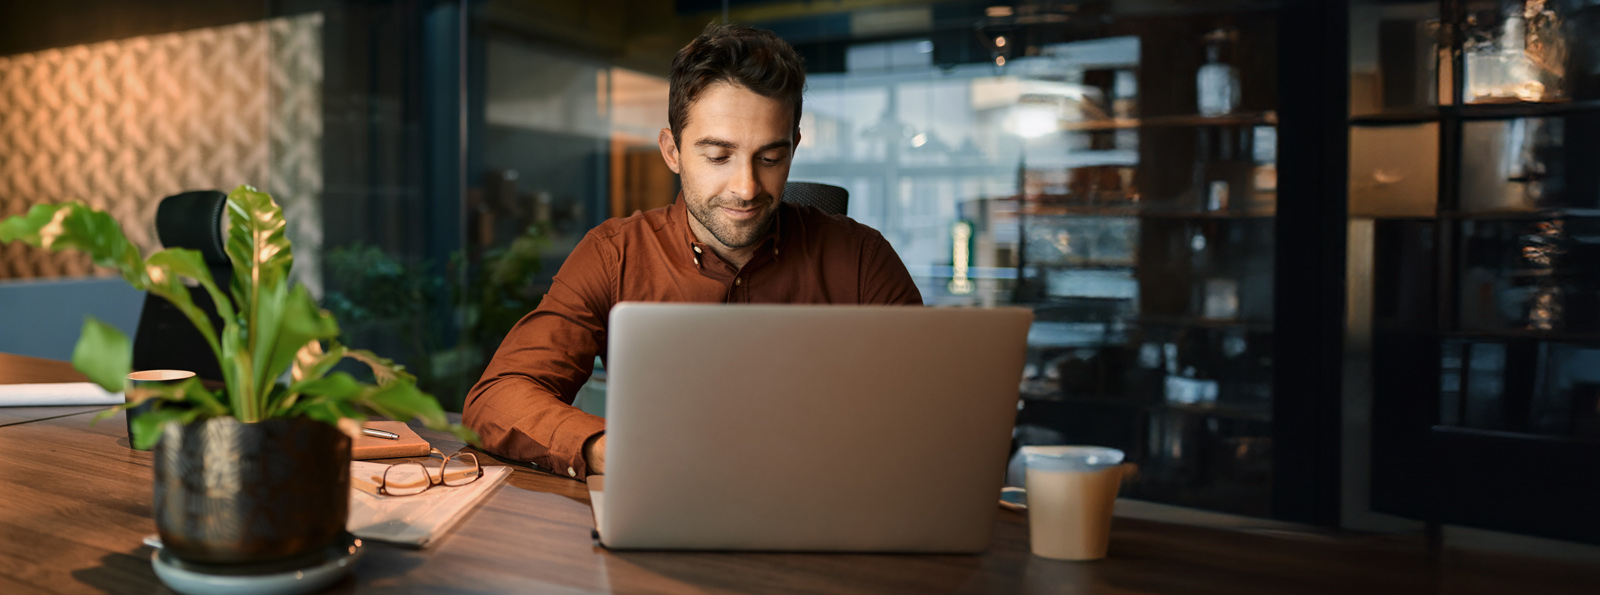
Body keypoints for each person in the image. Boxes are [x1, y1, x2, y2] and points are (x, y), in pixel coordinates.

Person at [463, 24, 922, 480]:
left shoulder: (863, 259)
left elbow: (936, 407)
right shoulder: (613, 255)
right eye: (718, 156)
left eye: (770, 158)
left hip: (829, 503)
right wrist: (607, 450)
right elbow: (497, 397)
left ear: (794, 148)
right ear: (672, 151)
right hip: (663, 502)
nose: (745, 188)